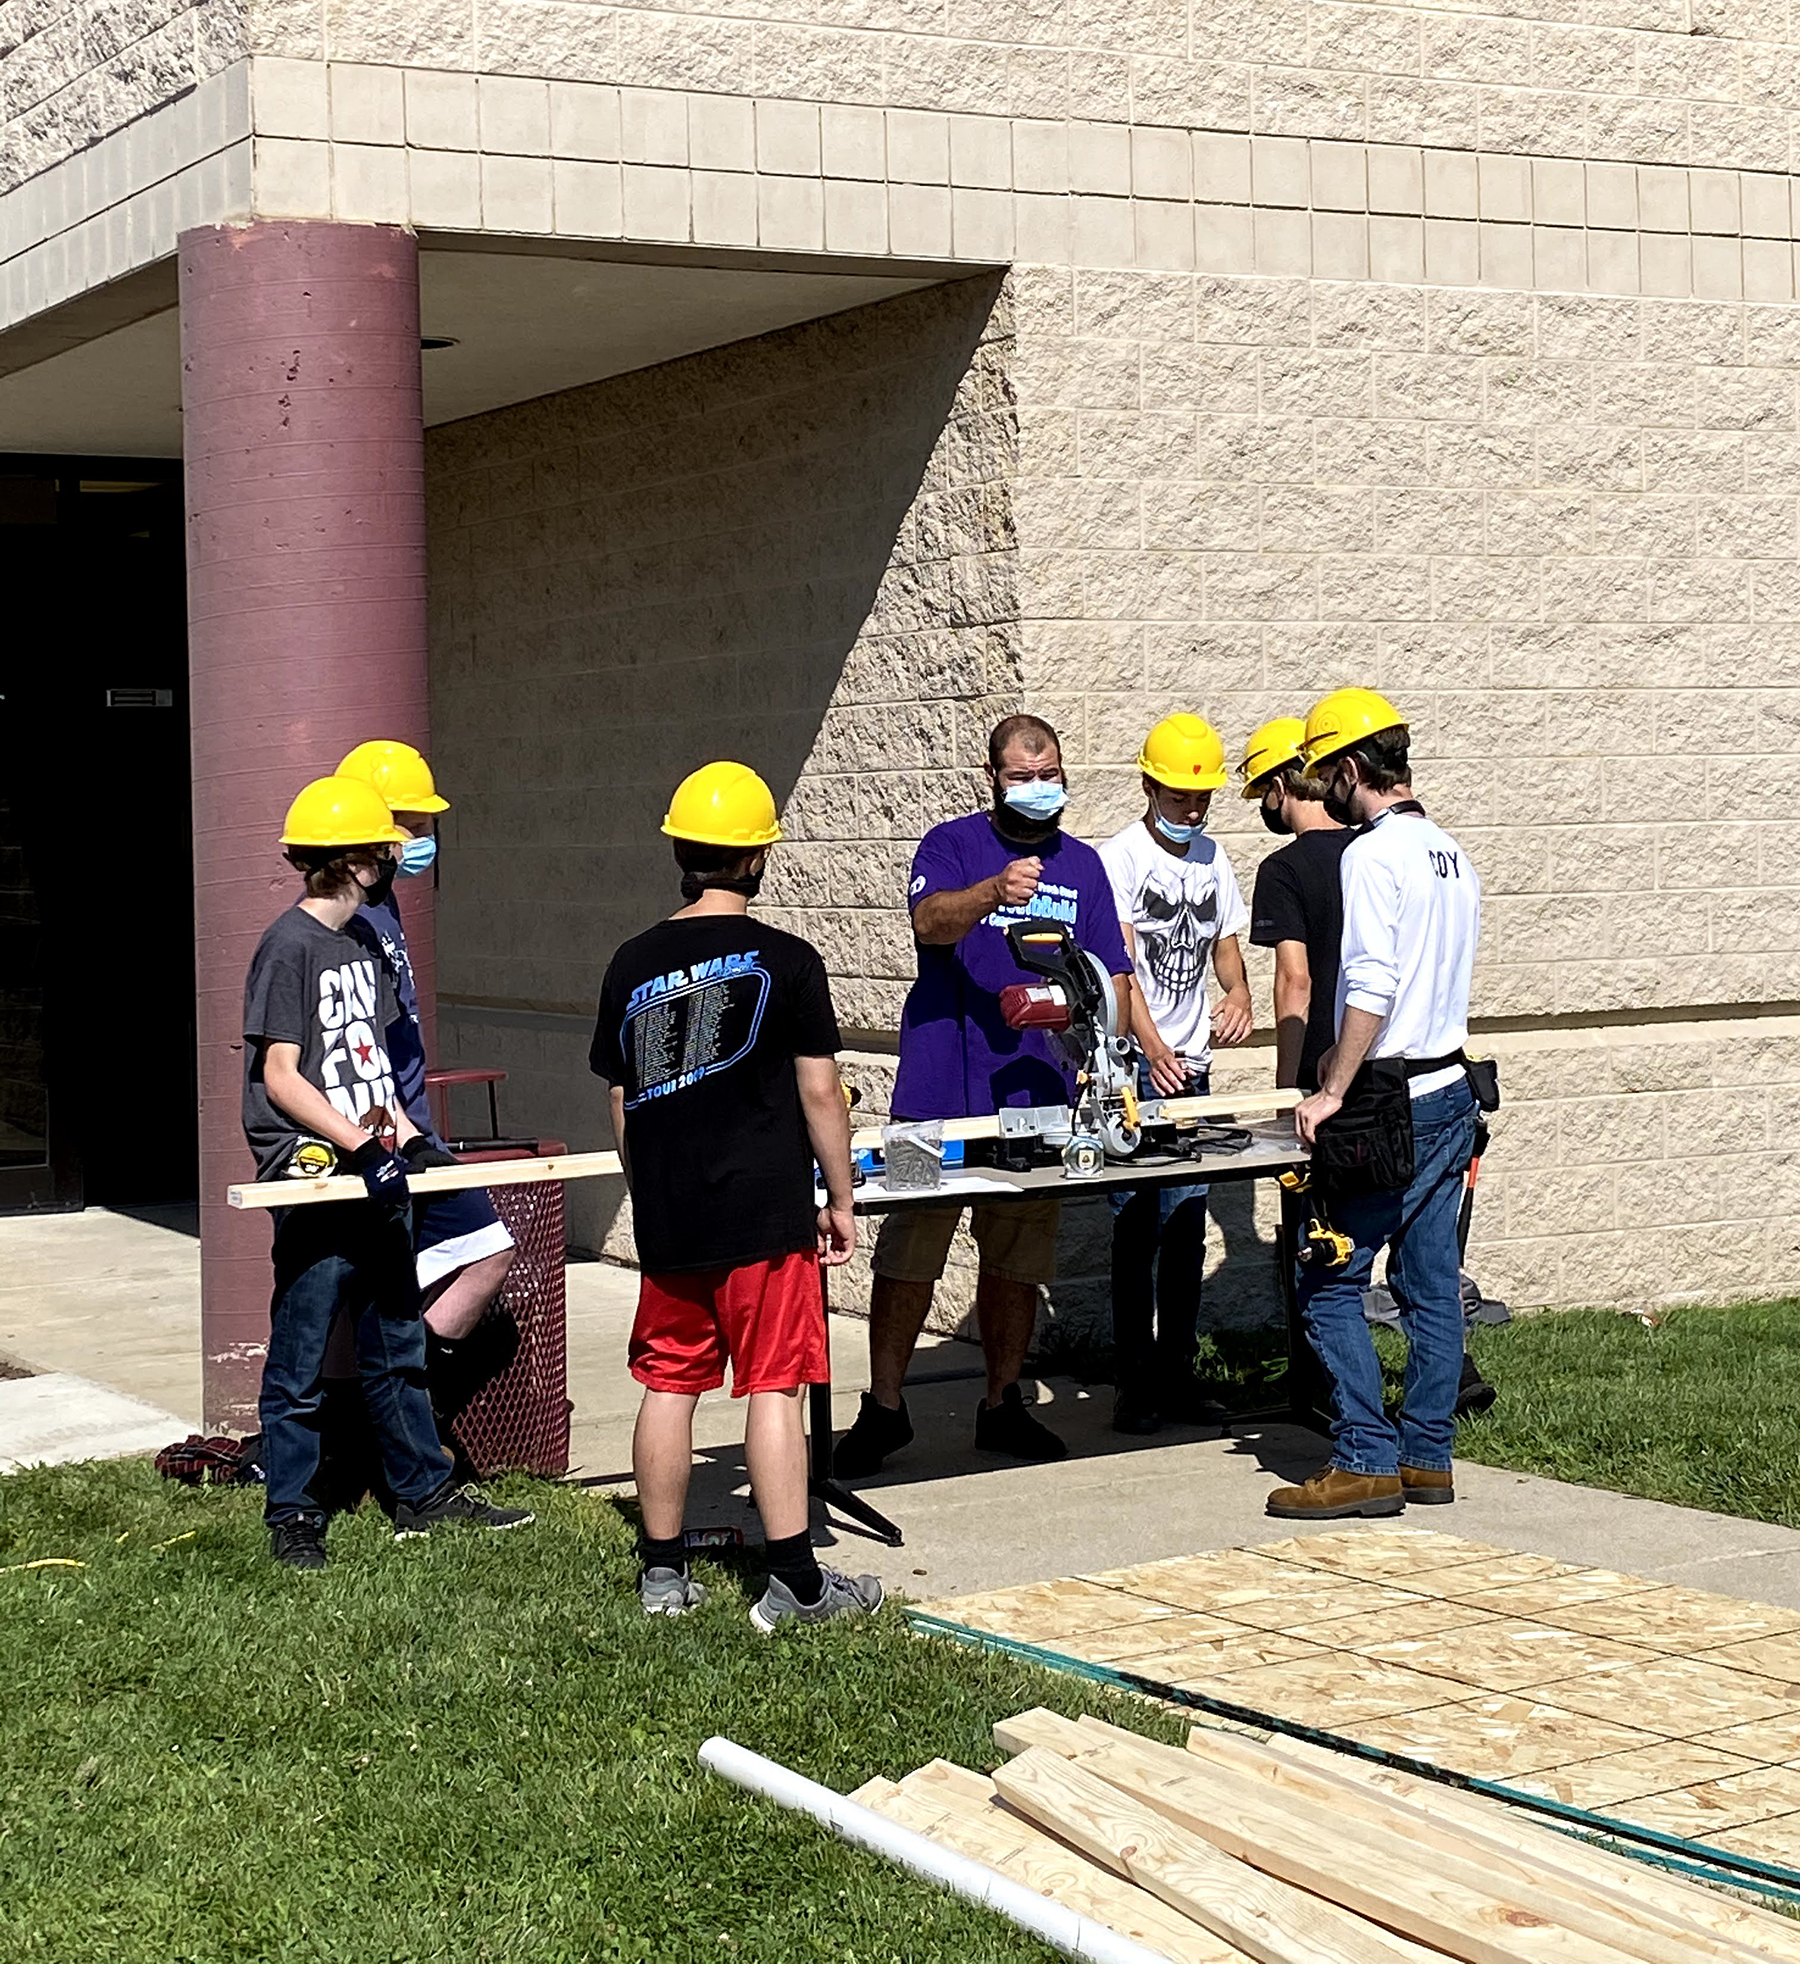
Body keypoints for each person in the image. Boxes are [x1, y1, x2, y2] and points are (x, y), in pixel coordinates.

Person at [590, 761, 882, 1631]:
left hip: (674, 1214)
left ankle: (662, 1575)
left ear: (681, 848)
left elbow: (620, 1095)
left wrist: (650, 1190)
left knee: (669, 1385)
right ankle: (795, 1582)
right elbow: (821, 1091)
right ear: (758, 859)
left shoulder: (630, 961)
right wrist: (840, 1196)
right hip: (764, 1211)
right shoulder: (789, 961)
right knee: (773, 1388)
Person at [243, 775, 533, 1569]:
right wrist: (360, 1149)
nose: (396, 856)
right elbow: (282, 1076)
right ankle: (294, 1513)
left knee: (395, 1343)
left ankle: (423, 1491)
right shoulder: (289, 946)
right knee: (301, 1357)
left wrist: (405, 1141)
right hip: (319, 1178)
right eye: (386, 845)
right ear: (359, 858)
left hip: (379, 1172)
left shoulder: (364, 946)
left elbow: (369, 1073)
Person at [833, 713, 1133, 1476]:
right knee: (908, 1247)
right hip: (933, 1091)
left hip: (1037, 1092)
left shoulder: (1085, 867)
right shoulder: (951, 844)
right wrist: (992, 890)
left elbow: (1110, 977)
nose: (1039, 789)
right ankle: (885, 1408)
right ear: (992, 779)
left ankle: (1003, 1402)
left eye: (1050, 775)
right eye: (1022, 776)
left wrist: (1106, 1060)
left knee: (1017, 1253)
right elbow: (929, 923)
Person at [1242, 716, 1495, 1421]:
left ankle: (1364, 1452)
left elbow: (1373, 987)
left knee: (1328, 1282)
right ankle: (1425, 1453)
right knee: (1431, 1283)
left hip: (1391, 1097)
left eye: (1328, 772)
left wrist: (1330, 1087)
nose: (1324, 787)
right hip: (1452, 1084)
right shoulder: (1450, 852)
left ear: (1353, 769)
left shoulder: (1371, 853)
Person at [335, 741, 516, 1406]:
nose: (424, 839)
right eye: (411, 825)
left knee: (399, 1281)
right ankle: (404, 1412)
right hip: (384, 1141)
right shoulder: (348, 918)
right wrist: (399, 1136)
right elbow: (351, 1047)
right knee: (484, 1252)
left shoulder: (385, 909)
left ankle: (388, 1417)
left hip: (407, 1135)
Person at [1097, 714, 1252, 1435]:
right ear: (1149, 785)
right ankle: (1135, 1381)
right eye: (1180, 798)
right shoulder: (1121, 859)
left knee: (1187, 1220)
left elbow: (1224, 945)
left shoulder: (1213, 858)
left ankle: (1177, 1372)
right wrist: (1151, 1046)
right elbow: (1119, 967)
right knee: (1136, 1224)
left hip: (1192, 1068)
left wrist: (1241, 992)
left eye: (1202, 801)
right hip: (1134, 1069)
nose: (1193, 811)